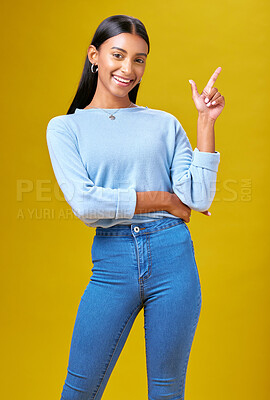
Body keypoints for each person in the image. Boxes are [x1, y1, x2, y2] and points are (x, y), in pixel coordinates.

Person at [46, 14, 225, 400]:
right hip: (112, 262)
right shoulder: (65, 128)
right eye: (117, 54)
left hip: (172, 257)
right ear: (94, 56)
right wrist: (162, 199)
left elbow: (197, 198)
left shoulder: (163, 124)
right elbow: (85, 203)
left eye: (139, 59)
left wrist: (205, 123)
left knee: (166, 391)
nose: (128, 68)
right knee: (79, 390)